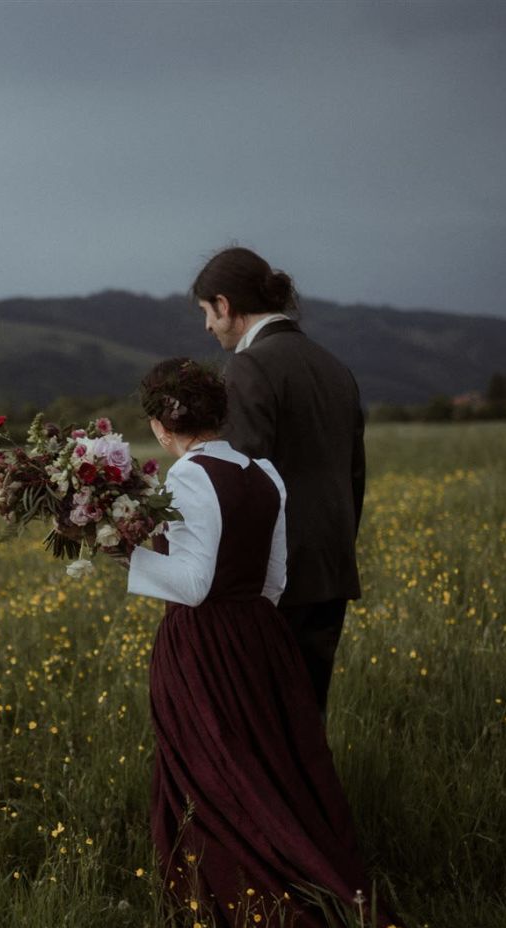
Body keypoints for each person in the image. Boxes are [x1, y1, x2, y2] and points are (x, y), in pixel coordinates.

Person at [125, 358, 404, 928]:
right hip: (260, 636)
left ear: (159, 425)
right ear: (221, 414)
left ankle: (223, 903)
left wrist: (125, 557)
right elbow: (276, 577)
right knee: (263, 761)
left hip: (203, 641)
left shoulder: (187, 476)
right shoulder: (264, 472)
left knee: (207, 771)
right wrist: (250, 623)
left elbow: (194, 585)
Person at [191, 246, 365, 717]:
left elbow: (243, 481)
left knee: (263, 725)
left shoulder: (252, 367)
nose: (207, 325)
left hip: (275, 580)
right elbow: (354, 476)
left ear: (225, 305)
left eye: (207, 312)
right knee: (308, 719)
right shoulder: (334, 367)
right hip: (330, 569)